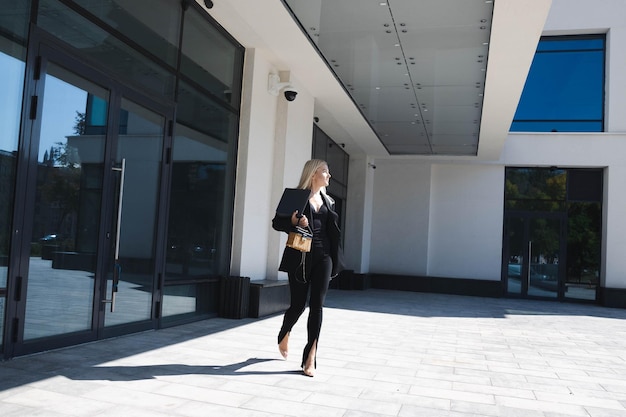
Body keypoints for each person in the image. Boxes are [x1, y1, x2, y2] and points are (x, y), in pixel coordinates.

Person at [272, 159, 345, 377]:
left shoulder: (328, 201)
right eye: (325, 172)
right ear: (313, 174)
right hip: (301, 257)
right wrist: (293, 222)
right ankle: (285, 332)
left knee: (317, 306)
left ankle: (310, 357)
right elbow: (277, 223)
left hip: (324, 257)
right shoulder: (295, 197)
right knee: (297, 305)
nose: (329, 176)